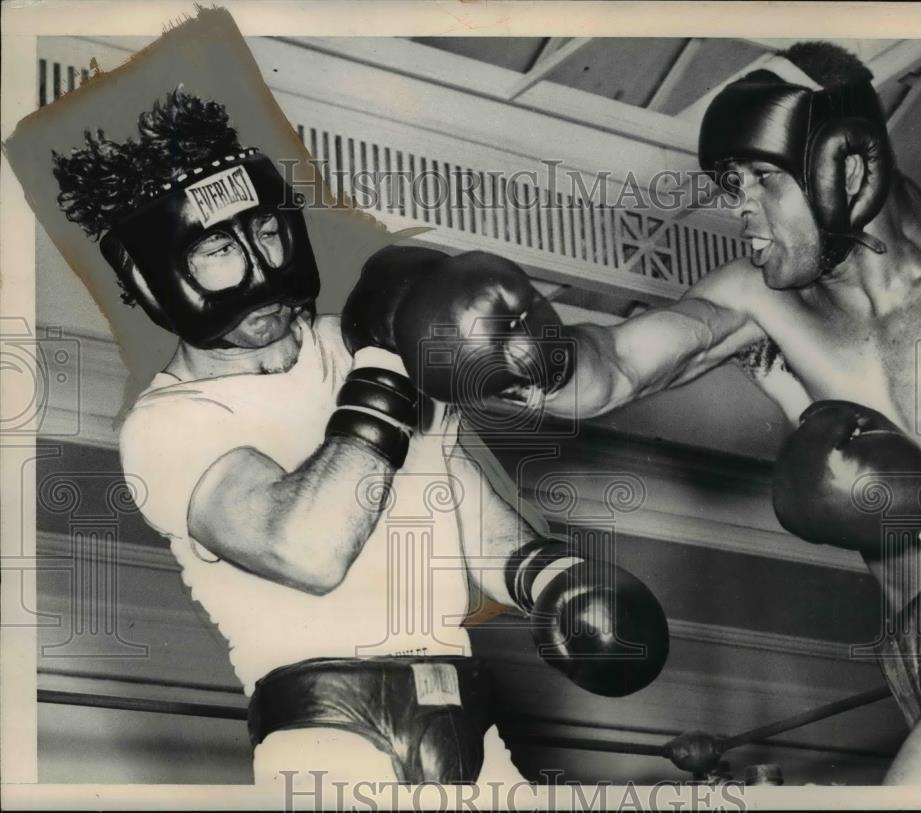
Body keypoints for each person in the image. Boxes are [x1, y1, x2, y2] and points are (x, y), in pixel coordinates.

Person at [51, 88, 669, 787]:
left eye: (268, 232)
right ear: (152, 275)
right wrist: (381, 362)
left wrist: (556, 581)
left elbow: (464, 513)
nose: (258, 265)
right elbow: (307, 548)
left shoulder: (356, 342)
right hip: (333, 750)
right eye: (220, 248)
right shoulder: (166, 426)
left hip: (472, 736)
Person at [485, 43, 921, 783]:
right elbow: (618, 363)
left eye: (762, 179)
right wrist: (528, 356)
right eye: (731, 182)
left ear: (849, 165)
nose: (738, 205)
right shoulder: (762, 297)